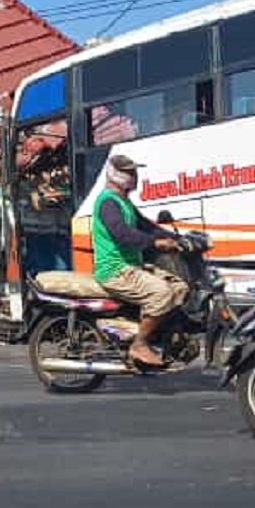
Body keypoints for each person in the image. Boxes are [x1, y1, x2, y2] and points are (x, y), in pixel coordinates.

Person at [91, 155, 188, 368]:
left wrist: (179, 238)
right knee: (162, 293)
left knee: (179, 287)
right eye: (129, 172)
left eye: (134, 171)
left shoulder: (123, 202)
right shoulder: (108, 202)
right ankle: (139, 344)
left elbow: (146, 226)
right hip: (115, 270)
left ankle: (159, 337)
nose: (134, 176)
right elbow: (123, 235)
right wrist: (156, 243)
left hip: (132, 267)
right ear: (115, 174)